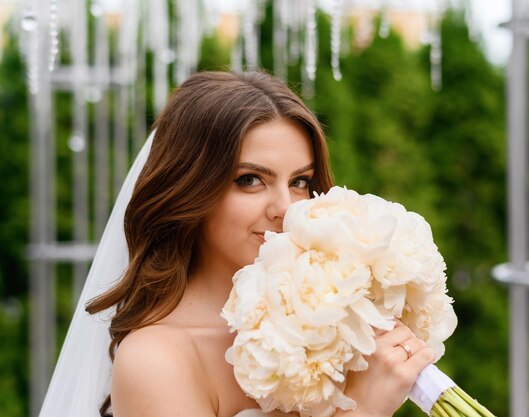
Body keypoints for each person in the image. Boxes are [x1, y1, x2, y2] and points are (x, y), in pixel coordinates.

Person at [39, 71, 435, 417]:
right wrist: (364, 410)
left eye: (299, 181)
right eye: (250, 180)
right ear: (189, 190)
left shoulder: (331, 324)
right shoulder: (157, 358)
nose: (288, 209)